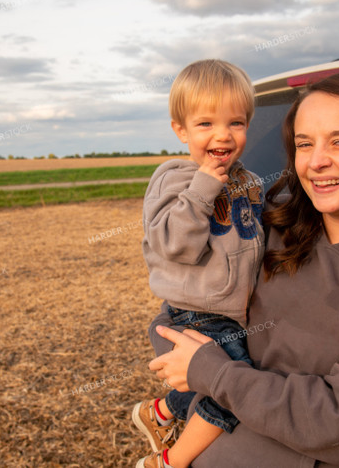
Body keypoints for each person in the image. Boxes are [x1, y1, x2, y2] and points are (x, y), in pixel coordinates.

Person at [147, 72, 339, 467]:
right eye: (304, 144)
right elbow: (177, 318)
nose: (316, 162)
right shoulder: (267, 232)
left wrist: (215, 374)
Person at [132, 59, 265, 468]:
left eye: (236, 123)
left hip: (230, 311)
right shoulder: (174, 178)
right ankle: (169, 462)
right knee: (235, 391)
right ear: (181, 130)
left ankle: (159, 413)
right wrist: (204, 185)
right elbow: (175, 244)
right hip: (199, 312)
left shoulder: (249, 181)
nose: (222, 135)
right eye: (205, 124)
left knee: (211, 380)